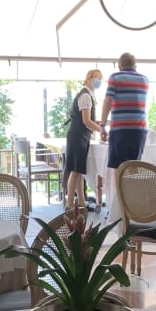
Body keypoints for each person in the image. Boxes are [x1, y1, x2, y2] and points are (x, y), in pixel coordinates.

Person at [99, 52, 149, 171]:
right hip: (139, 130)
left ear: (120, 65)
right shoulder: (144, 79)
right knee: (134, 168)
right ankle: (132, 184)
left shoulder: (115, 77)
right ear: (135, 65)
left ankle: (119, 185)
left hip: (120, 129)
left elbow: (108, 101)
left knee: (119, 169)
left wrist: (102, 125)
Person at [64, 68, 103, 208]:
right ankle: (69, 204)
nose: (98, 81)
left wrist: (100, 124)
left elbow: (87, 119)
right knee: (75, 171)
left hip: (80, 136)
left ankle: (81, 201)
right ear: (88, 79)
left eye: (100, 79)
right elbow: (86, 121)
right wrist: (100, 129)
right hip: (78, 136)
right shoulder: (85, 96)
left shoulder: (88, 95)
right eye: (96, 78)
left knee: (79, 171)